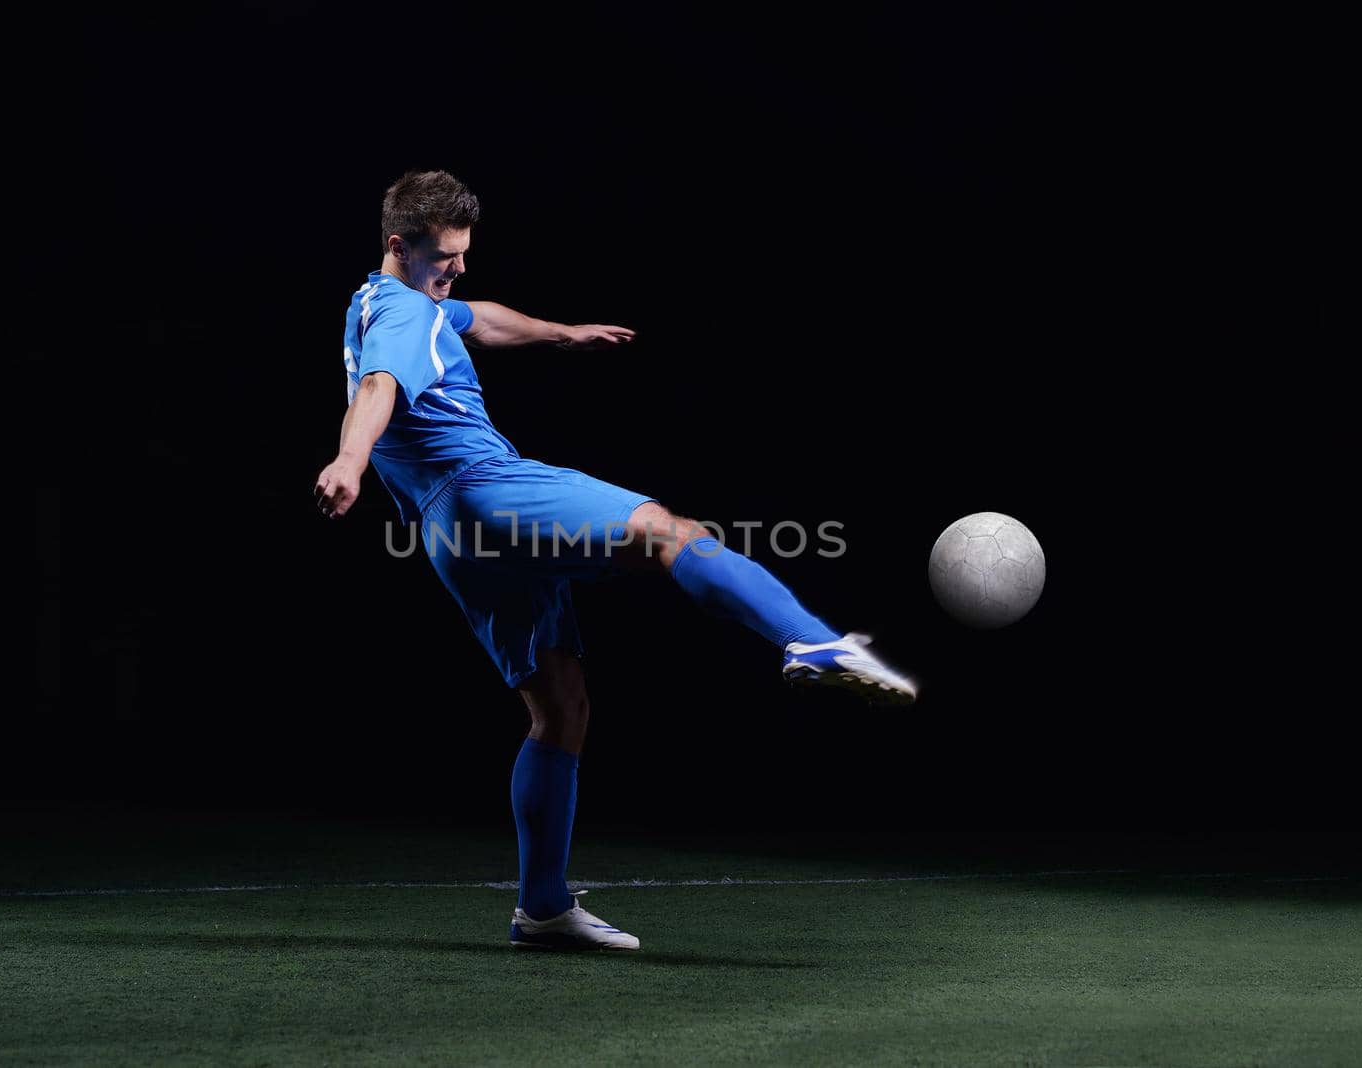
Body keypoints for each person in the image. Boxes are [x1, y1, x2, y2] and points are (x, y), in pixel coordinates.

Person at [314, 170, 917, 952]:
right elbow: (381, 386)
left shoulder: (391, 300)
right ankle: (809, 639)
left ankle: (542, 908)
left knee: (560, 709)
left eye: (464, 254)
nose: (458, 268)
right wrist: (349, 460)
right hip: (488, 490)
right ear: (399, 245)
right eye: (446, 257)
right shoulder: (398, 312)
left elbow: (481, 320)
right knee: (672, 533)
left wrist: (563, 334)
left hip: (450, 537)